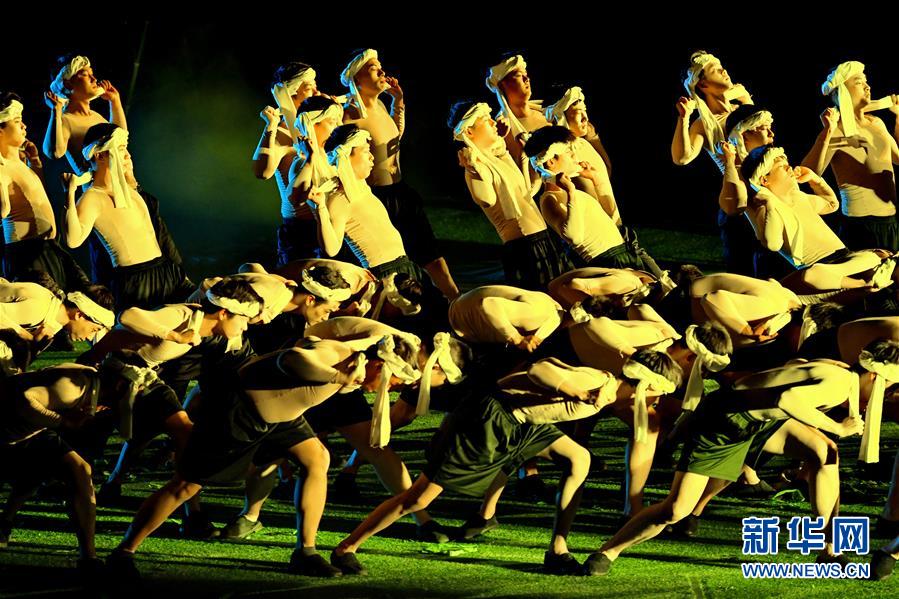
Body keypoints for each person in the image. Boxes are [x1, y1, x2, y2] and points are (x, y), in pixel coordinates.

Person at [328, 350, 682, 576]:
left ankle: (557, 548)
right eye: (660, 393)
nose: (659, 400)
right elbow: (542, 367)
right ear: (647, 386)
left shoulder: (608, 390)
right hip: (489, 417)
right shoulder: (598, 383)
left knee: (579, 459)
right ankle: (346, 548)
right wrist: (574, 391)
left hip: (524, 423)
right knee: (419, 498)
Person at [105, 333, 421, 580]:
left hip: (282, 417)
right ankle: (124, 552)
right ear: (381, 366)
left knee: (317, 459)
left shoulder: (358, 360)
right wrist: (337, 377)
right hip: (240, 411)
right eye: (394, 382)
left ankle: (306, 552)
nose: (392, 389)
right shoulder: (336, 355)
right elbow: (292, 357)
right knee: (187, 485)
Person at [584, 360, 862, 576]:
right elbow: (787, 400)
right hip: (725, 422)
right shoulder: (838, 383)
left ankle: (830, 549)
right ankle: (608, 551)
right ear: (872, 376)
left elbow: (791, 372)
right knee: (675, 510)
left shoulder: (840, 372)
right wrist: (837, 427)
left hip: (759, 421)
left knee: (825, 452)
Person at [341, 49, 458, 299]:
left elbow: (392, 135)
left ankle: (456, 302)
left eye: (380, 66)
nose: (382, 72)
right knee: (391, 261)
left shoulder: (381, 104)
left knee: (431, 254)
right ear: (357, 78)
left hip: (400, 192)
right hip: (376, 198)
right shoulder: (349, 114)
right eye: (374, 68)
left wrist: (398, 104)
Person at [64, 124, 193, 310]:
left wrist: (129, 176)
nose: (128, 155)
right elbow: (73, 240)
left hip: (165, 271)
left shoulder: (127, 187)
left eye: (126, 148)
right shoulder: (92, 198)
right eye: (120, 149)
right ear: (99, 155)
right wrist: (69, 193)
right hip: (136, 282)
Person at [0, 364, 109, 582]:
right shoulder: (72, 388)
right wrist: (63, 421)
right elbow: (25, 400)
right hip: (6, 430)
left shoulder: (90, 383)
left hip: (29, 433)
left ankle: (89, 558)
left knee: (78, 469)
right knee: (37, 467)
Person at [449, 101, 570, 290]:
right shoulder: (478, 167)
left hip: (543, 240)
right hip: (525, 248)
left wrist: (524, 155)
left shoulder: (499, 157)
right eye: (486, 120)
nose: (493, 122)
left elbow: (527, 190)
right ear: (469, 132)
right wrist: (473, 169)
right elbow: (486, 199)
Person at [803, 61, 899, 252]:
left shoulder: (877, 123)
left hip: (891, 221)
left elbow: (897, 158)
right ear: (842, 92)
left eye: (866, 81)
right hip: (860, 226)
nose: (867, 86)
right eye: (858, 82)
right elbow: (808, 173)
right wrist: (827, 133)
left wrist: (898, 118)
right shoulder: (837, 130)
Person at [0, 92, 92, 292]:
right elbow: (3, 210)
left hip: (49, 248)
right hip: (27, 254)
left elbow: (36, 199)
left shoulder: (21, 162)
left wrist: (35, 163)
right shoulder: (2, 168)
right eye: (17, 121)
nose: (24, 126)